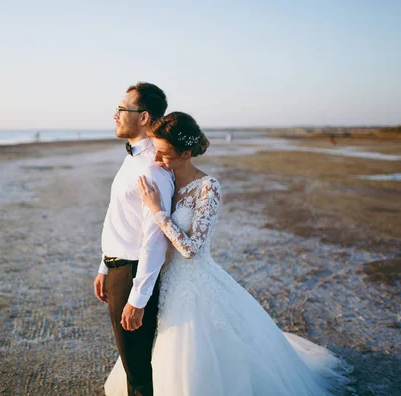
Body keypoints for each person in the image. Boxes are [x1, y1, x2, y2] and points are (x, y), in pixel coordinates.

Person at [104, 112, 352, 395]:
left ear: (185, 153)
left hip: (193, 281)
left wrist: (157, 210)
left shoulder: (208, 187)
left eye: (164, 154)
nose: (157, 160)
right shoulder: (166, 179)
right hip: (164, 280)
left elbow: (191, 249)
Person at [94, 82, 174, 396]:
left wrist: (137, 300)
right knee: (133, 366)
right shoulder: (133, 159)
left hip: (131, 274)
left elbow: (154, 239)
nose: (115, 116)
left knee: (138, 371)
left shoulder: (151, 169)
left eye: (121, 110)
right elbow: (119, 216)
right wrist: (104, 265)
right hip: (117, 269)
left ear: (143, 118)